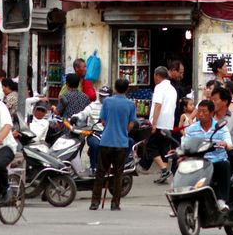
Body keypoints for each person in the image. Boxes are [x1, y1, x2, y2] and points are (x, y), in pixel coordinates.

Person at [91, 78, 137, 211]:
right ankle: (115, 203)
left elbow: (103, 121)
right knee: (118, 174)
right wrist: (124, 132)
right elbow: (131, 123)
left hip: (106, 141)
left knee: (100, 172)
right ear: (127, 89)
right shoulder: (130, 104)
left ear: (115, 88)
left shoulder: (107, 102)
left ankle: (95, 202)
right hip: (121, 143)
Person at [183, 100, 233, 210]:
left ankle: (221, 201)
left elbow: (229, 143)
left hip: (216, 162)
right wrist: (180, 152)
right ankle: (180, 201)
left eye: (204, 111)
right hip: (198, 163)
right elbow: (185, 144)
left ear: (211, 113)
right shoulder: (192, 129)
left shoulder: (220, 127)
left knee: (225, 165)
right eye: (199, 111)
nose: (200, 114)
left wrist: (225, 143)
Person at [145, 66, 177, 184]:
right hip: (168, 123)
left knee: (150, 147)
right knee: (163, 149)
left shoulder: (159, 87)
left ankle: (164, 170)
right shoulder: (172, 89)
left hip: (159, 123)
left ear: (157, 75)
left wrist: (154, 124)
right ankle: (164, 172)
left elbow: (158, 105)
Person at [68, 85, 110, 173]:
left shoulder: (113, 107)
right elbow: (83, 113)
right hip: (95, 133)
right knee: (95, 144)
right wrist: (75, 117)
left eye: (104, 96)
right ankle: (93, 166)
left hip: (109, 133)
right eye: (101, 96)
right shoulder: (93, 105)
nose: (102, 98)